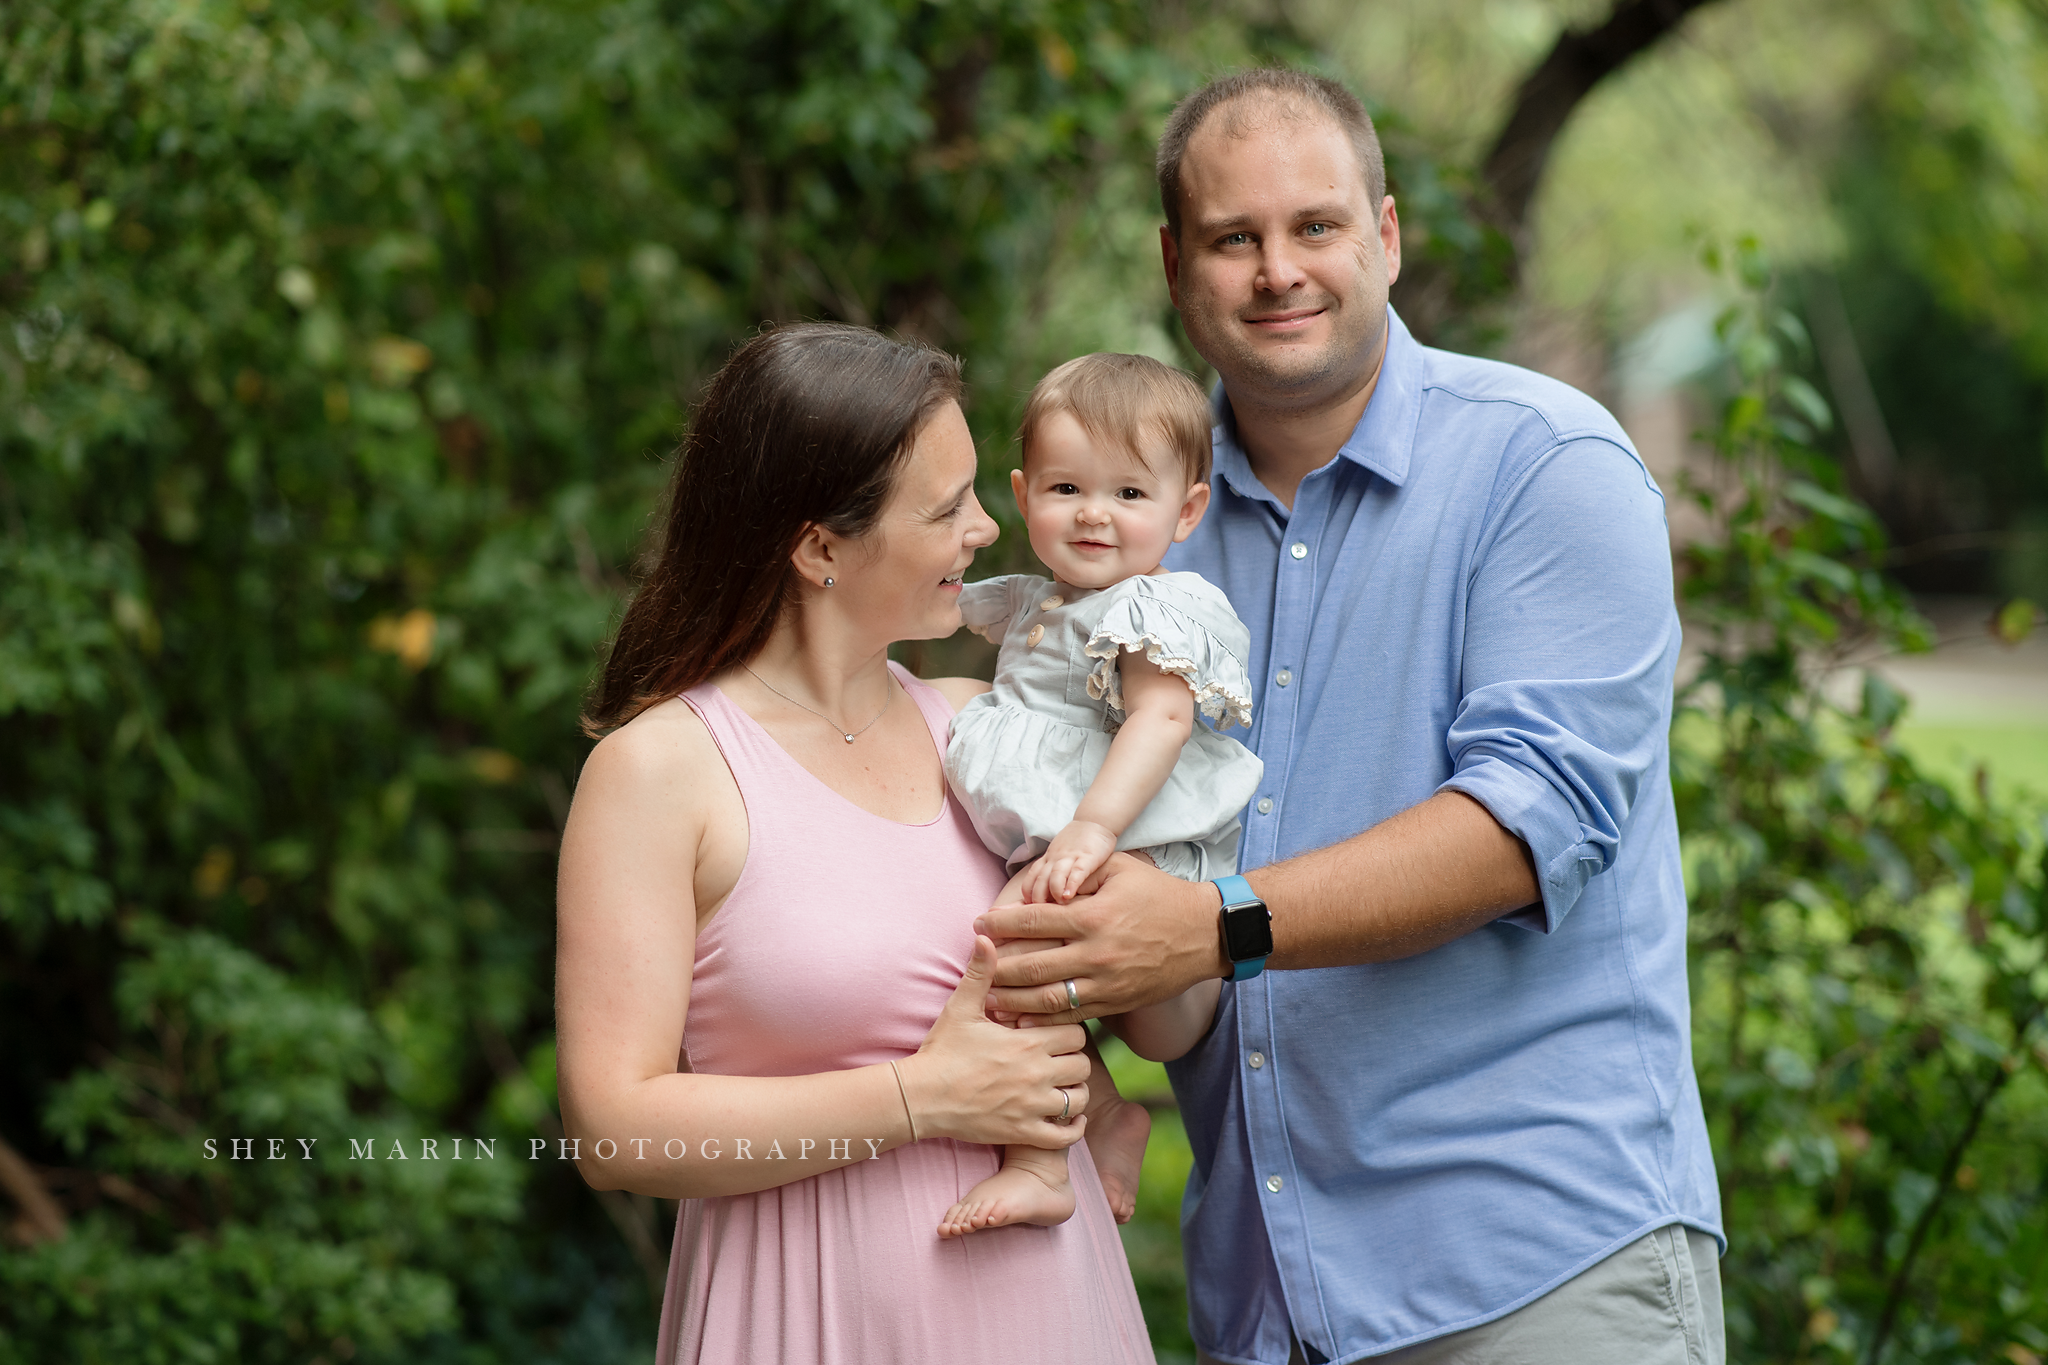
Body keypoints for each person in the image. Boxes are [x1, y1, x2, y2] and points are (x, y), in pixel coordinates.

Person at [976, 69, 1726, 1365]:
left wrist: (1215, 930)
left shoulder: (1545, 466)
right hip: (1266, 1300)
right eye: (1233, 237)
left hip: (1537, 1277)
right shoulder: (1128, 534)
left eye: (1314, 227)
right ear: (1174, 263)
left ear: (1385, 234)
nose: (1279, 269)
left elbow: (1525, 828)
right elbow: (1045, 823)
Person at [554, 322, 1152, 1364]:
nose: (983, 530)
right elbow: (615, 1132)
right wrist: (921, 1098)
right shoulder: (663, 772)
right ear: (819, 547)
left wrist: (1102, 1072)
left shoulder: (985, 732)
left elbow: (1120, 972)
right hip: (805, 1318)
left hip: (1051, 1311)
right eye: (945, 507)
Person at [936, 352, 1263, 1238]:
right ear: (1022, 492)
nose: (1093, 513)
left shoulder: (1155, 609)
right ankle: (1111, 1110)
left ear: (1186, 509)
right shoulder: (1044, 601)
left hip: (1136, 857)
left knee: (1012, 960)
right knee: (1016, 965)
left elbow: (1158, 721)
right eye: (1067, 486)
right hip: (1076, 845)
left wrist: (1094, 826)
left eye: (1128, 494)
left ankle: (1043, 1161)